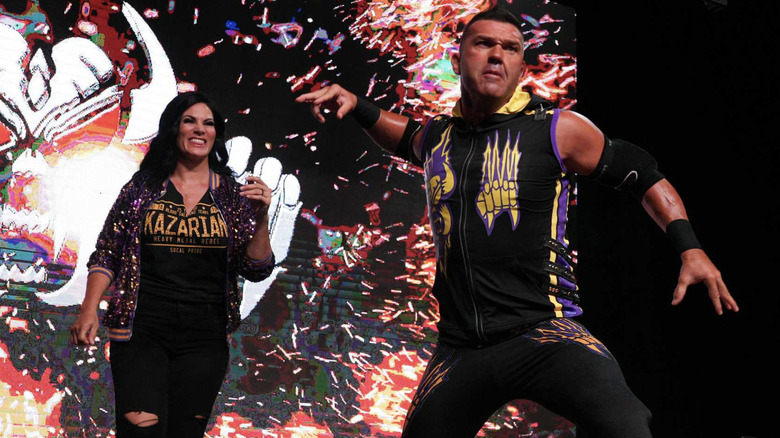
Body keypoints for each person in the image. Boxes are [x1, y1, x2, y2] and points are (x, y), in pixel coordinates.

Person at [295, 6, 738, 438]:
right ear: (457, 58)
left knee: (626, 426)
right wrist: (357, 106)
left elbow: (642, 174)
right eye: (483, 44)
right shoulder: (438, 136)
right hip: (461, 349)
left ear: (521, 66)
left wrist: (690, 247)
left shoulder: (557, 129)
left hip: (545, 332)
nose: (496, 55)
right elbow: (405, 135)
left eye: (509, 48)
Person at [68, 91, 276, 437]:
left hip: (205, 337)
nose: (200, 130)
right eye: (189, 121)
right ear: (173, 129)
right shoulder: (143, 187)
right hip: (142, 330)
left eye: (208, 123)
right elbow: (108, 251)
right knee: (141, 431)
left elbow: (256, 269)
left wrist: (261, 219)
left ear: (216, 135)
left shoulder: (232, 196)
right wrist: (89, 308)